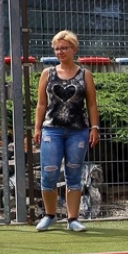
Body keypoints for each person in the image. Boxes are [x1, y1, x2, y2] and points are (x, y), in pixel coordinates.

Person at [33, 30, 99, 232]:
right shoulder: (48, 73)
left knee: (74, 172)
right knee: (49, 171)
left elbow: (92, 105)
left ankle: (72, 219)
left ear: (74, 49)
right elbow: (41, 104)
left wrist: (94, 127)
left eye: (64, 48)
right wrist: (37, 127)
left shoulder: (85, 74)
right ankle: (50, 214)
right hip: (51, 130)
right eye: (57, 49)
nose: (60, 52)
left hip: (77, 131)